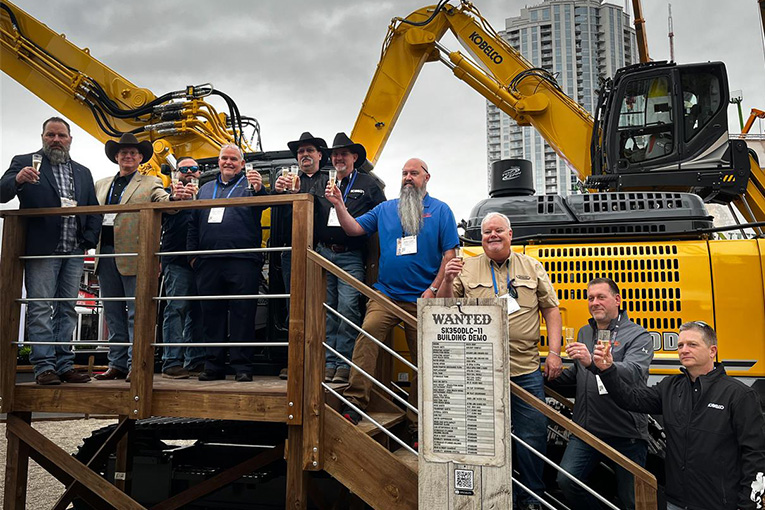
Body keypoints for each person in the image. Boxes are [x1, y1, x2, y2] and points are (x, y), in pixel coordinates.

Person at [437, 211, 562, 510]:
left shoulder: (531, 266)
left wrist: (554, 353)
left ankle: (532, 497)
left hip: (525, 368)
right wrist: (447, 277)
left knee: (532, 435)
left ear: (510, 234)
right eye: (486, 231)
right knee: (480, 438)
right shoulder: (465, 268)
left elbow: (551, 310)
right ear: (480, 237)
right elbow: (441, 306)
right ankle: (488, 497)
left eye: (498, 231)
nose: (492, 235)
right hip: (478, 370)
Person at [325, 157, 459, 433]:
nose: (408, 177)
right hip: (386, 295)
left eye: (414, 173)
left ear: (426, 178)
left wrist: (433, 290)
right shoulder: (385, 209)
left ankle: (416, 421)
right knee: (368, 332)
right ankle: (355, 401)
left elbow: (450, 256)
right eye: (404, 173)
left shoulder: (441, 210)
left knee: (424, 359)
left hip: (424, 299)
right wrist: (339, 205)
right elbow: (353, 228)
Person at [594, 321, 765, 510]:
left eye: (692, 344)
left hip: (719, 504)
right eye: (680, 345)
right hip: (675, 502)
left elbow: (755, 455)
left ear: (712, 350)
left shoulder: (739, 395)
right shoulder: (670, 387)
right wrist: (607, 370)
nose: (684, 350)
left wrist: (749, 505)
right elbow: (631, 399)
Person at [0, 117, 101, 385]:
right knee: (41, 307)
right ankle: (44, 366)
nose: (56, 140)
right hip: (42, 249)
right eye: (51, 135)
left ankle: (64, 364)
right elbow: (1, 192)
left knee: (68, 307)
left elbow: (93, 209)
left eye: (61, 135)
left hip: (73, 250)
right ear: (42, 136)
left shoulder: (82, 171)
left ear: (70, 139)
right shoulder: (23, 161)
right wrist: (18, 180)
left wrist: (87, 239)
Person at [549, 277, 653, 510]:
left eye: (600, 297)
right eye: (590, 298)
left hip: (626, 433)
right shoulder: (585, 332)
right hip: (587, 431)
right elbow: (577, 375)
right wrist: (540, 373)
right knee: (567, 481)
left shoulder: (638, 335)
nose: (594, 302)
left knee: (632, 500)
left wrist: (597, 364)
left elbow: (634, 373)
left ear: (617, 300)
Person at [94, 133, 186, 382]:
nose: (128, 156)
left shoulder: (151, 181)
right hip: (105, 254)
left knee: (137, 312)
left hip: (135, 253)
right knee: (112, 312)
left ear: (140, 157)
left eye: (133, 152)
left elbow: (166, 202)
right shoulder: (101, 184)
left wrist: (176, 197)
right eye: (123, 152)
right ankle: (117, 363)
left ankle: (137, 364)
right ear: (116, 156)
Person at [187, 144, 268, 382]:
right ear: (219, 162)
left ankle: (242, 366)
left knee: (243, 315)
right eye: (225, 158)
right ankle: (213, 366)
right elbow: (193, 223)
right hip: (208, 262)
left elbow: (265, 204)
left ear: (242, 164)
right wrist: (193, 256)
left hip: (242, 260)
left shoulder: (250, 186)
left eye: (234, 158)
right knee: (211, 315)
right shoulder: (204, 189)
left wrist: (260, 189)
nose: (228, 162)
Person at [316, 133, 385, 384]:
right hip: (323, 254)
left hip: (350, 256)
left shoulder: (368, 184)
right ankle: (328, 362)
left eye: (343, 153)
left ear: (354, 157)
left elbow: (384, 217)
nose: (338, 158)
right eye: (334, 154)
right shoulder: (323, 181)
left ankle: (344, 364)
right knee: (327, 310)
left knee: (347, 309)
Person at [271, 131, 329, 379]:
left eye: (309, 150)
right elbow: (276, 213)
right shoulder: (285, 180)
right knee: (293, 307)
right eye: (301, 151)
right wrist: (278, 193)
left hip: (321, 251)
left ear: (319, 155)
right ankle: (293, 362)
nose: (305, 155)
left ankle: (320, 362)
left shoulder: (329, 180)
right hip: (290, 252)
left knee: (321, 306)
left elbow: (327, 213)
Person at [159, 157, 205, 379]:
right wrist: (173, 199)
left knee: (198, 312)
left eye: (193, 168)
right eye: (184, 169)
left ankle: (194, 359)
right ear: (177, 173)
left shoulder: (207, 192)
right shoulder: (167, 193)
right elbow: (157, 216)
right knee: (177, 308)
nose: (189, 172)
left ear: (200, 172)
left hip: (202, 260)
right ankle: (172, 361)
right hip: (176, 259)